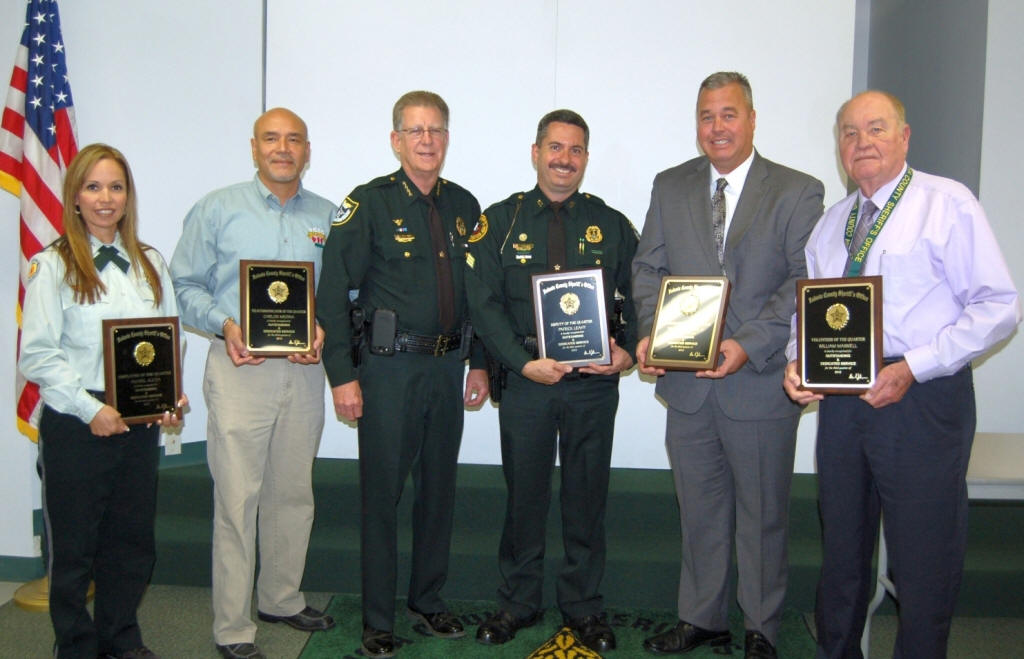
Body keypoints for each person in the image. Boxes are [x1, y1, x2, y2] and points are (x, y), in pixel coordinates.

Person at [783, 90, 1021, 659]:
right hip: (843, 404)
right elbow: (807, 311)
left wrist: (914, 366)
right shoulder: (832, 223)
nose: (861, 142)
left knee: (923, 562)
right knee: (842, 555)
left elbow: (998, 305)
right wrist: (798, 360)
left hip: (922, 400)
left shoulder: (947, 203)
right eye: (849, 132)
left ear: (904, 137)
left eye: (876, 128)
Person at [632, 72, 824, 659]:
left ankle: (761, 627)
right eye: (706, 116)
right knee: (700, 512)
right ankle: (702, 619)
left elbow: (803, 279)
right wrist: (649, 334)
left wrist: (747, 342)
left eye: (728, 114)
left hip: (759, 384)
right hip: (687, 385)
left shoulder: (797, 190)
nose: (717, 127)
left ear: (752, 119)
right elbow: (648, 269)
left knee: (762, 517)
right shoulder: (670, 185)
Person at [317, 90, 489, 658]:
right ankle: (376, 618)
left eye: (436, 130)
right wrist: (342, 375)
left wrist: (481, 363)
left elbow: (483, 299)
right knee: (382, 496)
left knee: (438, 492)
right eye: (415, 131)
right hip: (387, 374)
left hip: (446, 367)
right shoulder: (367, 205)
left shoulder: (466, 207)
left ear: (446, 138)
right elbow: (331, 296)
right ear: (396, 140)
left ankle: (427, 602)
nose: (426, 141)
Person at [465, 109, 638, 653]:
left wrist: (627, 352)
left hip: (591, 384)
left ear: (586, 158)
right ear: (536, 152)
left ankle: (584, 606)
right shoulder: (501, 220)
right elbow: (483, 302)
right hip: (529, 382)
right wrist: (520, 362)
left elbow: (639, 295)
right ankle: (518, 601)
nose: (565, 159)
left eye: (576, 150)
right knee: (526, 498)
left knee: (587, 498)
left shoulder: (611, 224)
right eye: (555, 148)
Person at [170, 108, 336, 659]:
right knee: (238, 500)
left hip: (304, 373)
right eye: (272, 138)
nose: (282, 148)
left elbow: (341, 294)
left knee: (292, 493)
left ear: (307, 151)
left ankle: (282, 598)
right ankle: (233, 627)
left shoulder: (329, 217)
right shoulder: (218, 208)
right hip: (239, 369)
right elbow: (184, 283)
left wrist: (324, 326)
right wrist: (225, 324)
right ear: (254, 147)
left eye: (294, 140)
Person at [20, 143, 186, 658]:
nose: (105, 198)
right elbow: (40, 356)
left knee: (132, 540)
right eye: (93, 187)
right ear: (74, 197)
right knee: (74, 546)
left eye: (115, 187)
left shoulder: (150, 261)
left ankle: (120, 635)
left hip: (137, 419)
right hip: (77, 420)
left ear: (128, 196)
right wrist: (92, 409)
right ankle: (75, 644)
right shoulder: (53, 266)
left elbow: (166, 339)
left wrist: (169, 393)